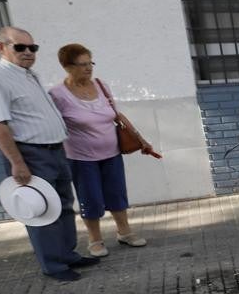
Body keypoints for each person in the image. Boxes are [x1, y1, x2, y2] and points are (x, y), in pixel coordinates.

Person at [0, 27, 98, 282]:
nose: (28, 52)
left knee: (63, 206)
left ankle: (67, 254)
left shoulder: (28, 75)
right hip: (31, 154)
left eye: (32, 48)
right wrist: (17, 163)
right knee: (42, 210)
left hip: (55, 150)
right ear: (1, 48)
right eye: (19, 47)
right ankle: (54, 265)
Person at [48, 43, 158, 257]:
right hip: (81, 158)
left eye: (90, 63)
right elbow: (52, 125)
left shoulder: (101, 85)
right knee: (91, 198)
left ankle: (124, 233)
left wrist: (140, 138)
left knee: (116, 193)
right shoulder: (57, 94)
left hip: (112, 153)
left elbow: (117, 115)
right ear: (67, 66)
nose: (88, 68)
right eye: (82, 64)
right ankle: (95, 240)